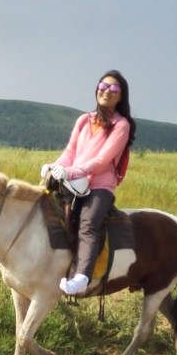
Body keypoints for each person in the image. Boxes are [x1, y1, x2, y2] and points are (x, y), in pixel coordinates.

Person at [41, 69, 136, 296]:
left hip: (99, 186)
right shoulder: (84, 120)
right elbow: (70, 151)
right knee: (44, 212)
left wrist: (72, 172)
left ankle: (82, 277)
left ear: (121, 96)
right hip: (72, 182)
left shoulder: (121, 125)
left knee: (88, 223)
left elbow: (103, 160)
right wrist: (55, 167)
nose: (106, 91)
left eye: (114, 89)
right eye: (103, 86)